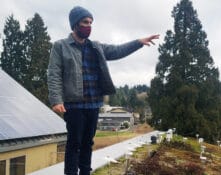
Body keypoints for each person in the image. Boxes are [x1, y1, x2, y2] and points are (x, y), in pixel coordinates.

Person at [47, 6, 159, 175]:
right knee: (74, 144)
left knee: (87, 143)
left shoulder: (96, 46)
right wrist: (56, 100)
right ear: (75, 24)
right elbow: (54, 74)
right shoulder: (60, 47)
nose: (88, 26)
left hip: (93, 104)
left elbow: (117, 50)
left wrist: (138, 43)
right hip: (74, 105)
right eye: (85, 22)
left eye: (91, 23)